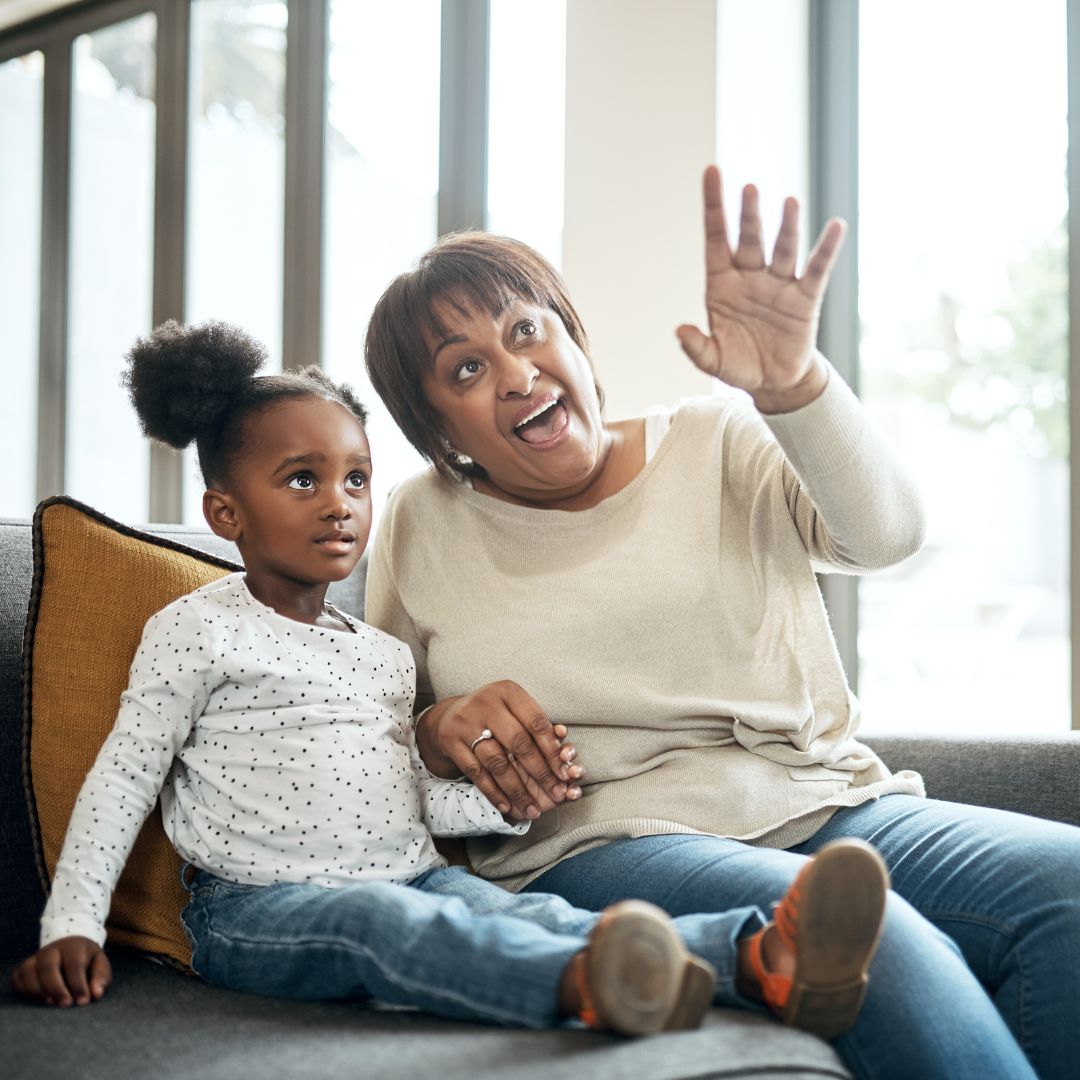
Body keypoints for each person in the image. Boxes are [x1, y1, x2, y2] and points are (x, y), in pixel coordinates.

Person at [363, 166, 1080, 1079]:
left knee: (1068, 885)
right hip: (603, 847)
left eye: (526, 330)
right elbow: (371, 734)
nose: (516, 373)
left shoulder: (718, 441)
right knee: (873, 940)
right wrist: (434, 730)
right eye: (466, 369)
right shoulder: (421, 520)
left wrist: (793, 385)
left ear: (574, 338)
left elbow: (885, 535)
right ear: (440, 430)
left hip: (820, 801)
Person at [11, 320, 890, 1042]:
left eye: (356, 477)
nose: (341, 502)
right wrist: (72, 925)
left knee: (528, 911)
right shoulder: (198, 629)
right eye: (302, 479)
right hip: (259, 907)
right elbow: (124, 776)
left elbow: (400, 796)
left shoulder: (380, 656)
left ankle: (756, 958)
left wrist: (507, 803)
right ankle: (588, 985)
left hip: (412, 872)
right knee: (389, 932)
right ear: (225, 513)